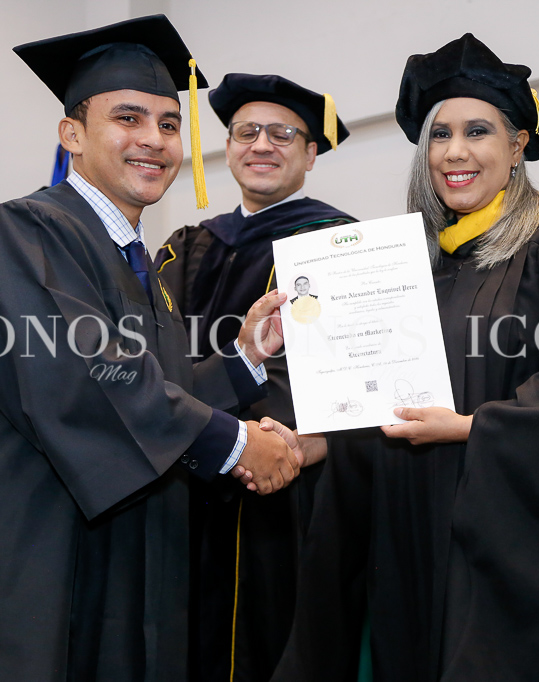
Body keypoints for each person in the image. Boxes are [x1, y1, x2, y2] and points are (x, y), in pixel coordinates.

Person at [0, 15, 302, 682]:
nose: (154, 140)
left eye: (169, 124)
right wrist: (235, 444)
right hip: (24, 559)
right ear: (72, 134)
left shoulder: (136, 261)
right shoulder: (28, 230)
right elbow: (86, 379)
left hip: (110, 564)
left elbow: (157, 386)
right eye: (128, 118)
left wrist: (245, 358)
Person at [270, 34, 539, 681]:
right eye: (439, 134)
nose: (454, 151)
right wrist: (327, 441)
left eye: (477, 131)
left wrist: (470, 428)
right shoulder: (410, 264)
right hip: (417, 538)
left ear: (518, 145)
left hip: (518, 554)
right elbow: (386, 396)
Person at [156, 73, 354, 682]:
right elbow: (155, 364)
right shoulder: (183, 247)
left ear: (311, 153)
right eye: (246, 132)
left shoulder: (343, 243)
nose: (261, 144)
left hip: (285, 487)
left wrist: (268, 446)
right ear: (228, 147)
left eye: (282, 134)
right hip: (179, 480)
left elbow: (348, 372)